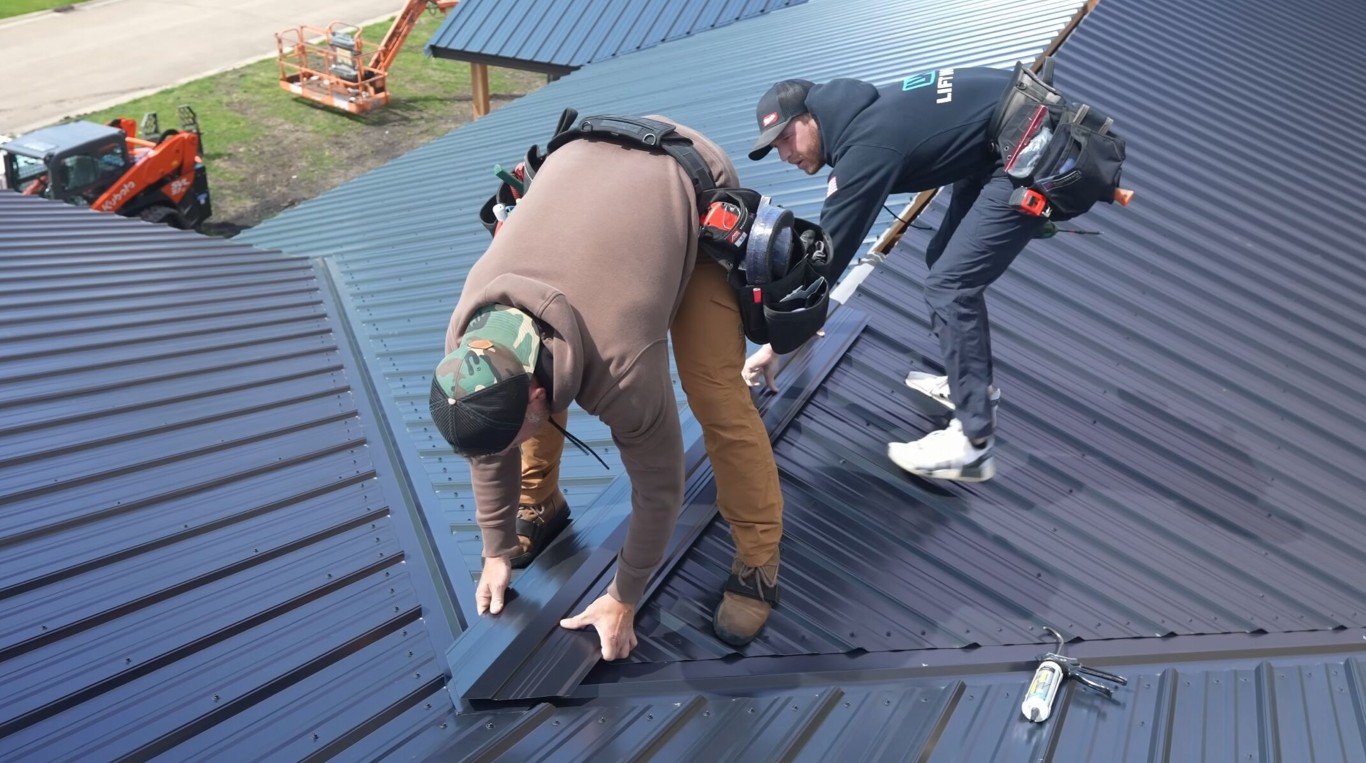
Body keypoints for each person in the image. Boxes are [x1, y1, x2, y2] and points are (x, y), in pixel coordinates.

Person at [429, 116, 784, 660]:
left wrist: (624, 597)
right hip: (586, 169)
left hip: (688, 181)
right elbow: (489, 442)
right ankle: (541, 503)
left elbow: (661, 489)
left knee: (715, 391)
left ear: (535, 399)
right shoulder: (468, 335)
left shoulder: (622, 367)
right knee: (514, 412)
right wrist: (495, 551)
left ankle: (759, 559)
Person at [743, 68, 1043, 482]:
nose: (785, 155)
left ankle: (973, 444)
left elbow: (826, 258)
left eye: (785, 138)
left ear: (811, 118)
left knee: (950, 287)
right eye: (774, 148)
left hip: (1031, 144)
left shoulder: (864, 146)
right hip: (1004, 141)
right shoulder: (867, 116)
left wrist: (778, 342)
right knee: (943, 259)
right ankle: (970, 384)